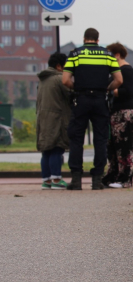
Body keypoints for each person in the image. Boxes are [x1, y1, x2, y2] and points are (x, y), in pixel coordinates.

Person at [62, 28, 123, 190]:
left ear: (84, 38)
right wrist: (107, 88)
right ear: (98, 39)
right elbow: (119, 80)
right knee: (101, 139)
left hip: (81, 99)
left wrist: (76, 88)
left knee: (76, 139)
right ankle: (97, 179)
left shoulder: (75, 54)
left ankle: (76, 180)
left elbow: (65, 80)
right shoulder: (107, 55)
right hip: (100, 100)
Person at [102, 42, 133, 188]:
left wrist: (112, 91)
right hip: (115, 111)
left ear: (117, 55)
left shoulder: (126, 70)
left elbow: (128, 92)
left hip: (125, 111)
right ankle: (113, 175)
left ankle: (125, 178)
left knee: (124, 145)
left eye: (110, 55)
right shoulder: (115, 71)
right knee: (113, 145)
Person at [36, 52, 71, 190]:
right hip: (57, 120)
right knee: (57, 148)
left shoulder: (43, 79)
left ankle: (47, 180)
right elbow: (70, 95)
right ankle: (56, 179)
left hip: (42, 119)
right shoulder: (59, 78)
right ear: (59, 66)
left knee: (46, 151)